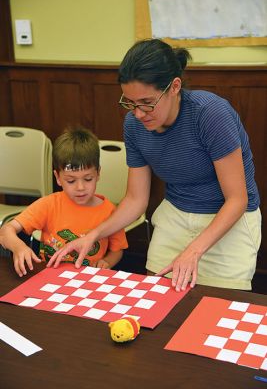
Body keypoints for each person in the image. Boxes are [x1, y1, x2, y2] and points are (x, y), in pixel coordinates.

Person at [47, 39, 261, 292]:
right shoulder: (134, 125)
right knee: (157, 297)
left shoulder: (210, 114)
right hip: (176, 213)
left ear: (174, 87)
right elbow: (136, 199)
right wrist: (93, 235)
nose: (138, 113)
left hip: (228, 218)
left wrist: (192, 251)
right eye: (129, 102)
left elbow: (237, 199)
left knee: (219, 307)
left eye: (147, 102)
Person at [0, 127, 128, 277]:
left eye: (88, 179)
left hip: (90, 279)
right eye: (71, 180)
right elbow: (6, 230)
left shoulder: (110, 211)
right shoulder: (49, 205)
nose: (80, 188)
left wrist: (107, 262)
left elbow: (117, 250)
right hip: (50, 277)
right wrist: (19, 247)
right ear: (58, 177)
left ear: (98, 173)